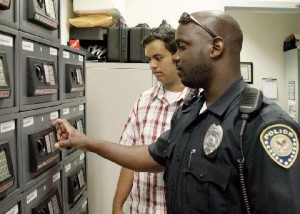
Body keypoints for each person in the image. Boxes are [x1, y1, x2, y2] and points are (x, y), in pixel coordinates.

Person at [53, 10, 300, 213]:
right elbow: (151, 157)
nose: (176, 57)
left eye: (182, 47)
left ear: (215, 47)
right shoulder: (191, 112)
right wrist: (84, 142)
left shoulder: (263, 125)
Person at [112, 26, 190, 214]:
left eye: (158, 58)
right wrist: (117, 205)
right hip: (141, 209)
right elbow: (128, 157)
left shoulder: (198, 103)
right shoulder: (143, 100)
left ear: (176, 55)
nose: (152, 65)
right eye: (149, 59)